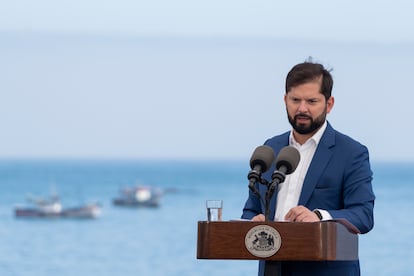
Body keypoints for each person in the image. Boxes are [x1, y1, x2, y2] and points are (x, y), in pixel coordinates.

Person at [241, 60, 375, 276]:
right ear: (285, 100)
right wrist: (252, 222)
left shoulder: (351, 153)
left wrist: (320, 217)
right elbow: (251, 209)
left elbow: (363, 215)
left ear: (329, 104)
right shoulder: (270, 149)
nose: (302, 108)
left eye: (312, 101)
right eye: (295, 100)